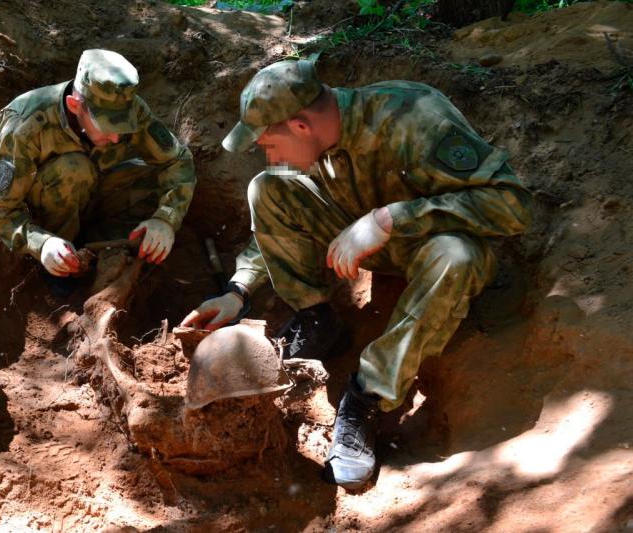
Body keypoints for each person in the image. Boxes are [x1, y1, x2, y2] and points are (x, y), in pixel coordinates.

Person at [180, 59, 532, 490]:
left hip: (433, 248)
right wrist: (237, 291)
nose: (268, 154)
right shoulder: (315, 139)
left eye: (269, 143)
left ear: (301, 126)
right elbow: (278, 211)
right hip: (364, 239)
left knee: (455, 257)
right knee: (266, 187)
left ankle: (367, 396)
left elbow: (513, 206)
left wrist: (389, 219)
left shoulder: (415, 117)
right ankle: (317, 321)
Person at [0, 49, 195, 281]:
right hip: (48, 213)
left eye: (122, 125)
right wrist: (42, 243)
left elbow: (176, 160)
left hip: (97, 192)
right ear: (74, 105)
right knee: (74, 170)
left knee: (148, 174)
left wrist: (165, 219)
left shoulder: (130, 106)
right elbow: (2, 211)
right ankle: (62, 269)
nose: (116, 138)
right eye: (106, 124)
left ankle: (107, 246)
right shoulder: (25, 124)